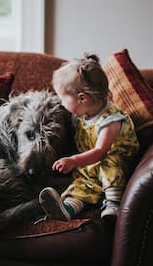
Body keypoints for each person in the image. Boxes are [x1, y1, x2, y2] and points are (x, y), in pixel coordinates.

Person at [39, 53, 139, 221]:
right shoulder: (81, 114)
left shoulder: (110, 120)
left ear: (82, 98)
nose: (60, 102)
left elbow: (100, 152)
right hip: (92, 164)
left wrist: (73, 160)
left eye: (63, 98)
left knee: (110, 164)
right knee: (82, 182)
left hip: (117, 161)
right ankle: (67, 209)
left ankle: (113, 203)